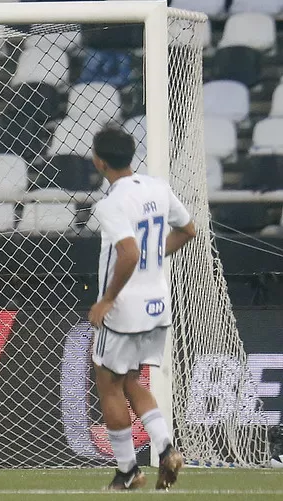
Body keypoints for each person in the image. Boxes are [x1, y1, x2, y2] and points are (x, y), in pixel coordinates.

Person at [88, 127, 196, 490]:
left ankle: (128, 471)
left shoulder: (110, 204)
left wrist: (107, 299)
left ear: (99, 161)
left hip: (125, 309)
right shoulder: (157, 188)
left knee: (108, 382)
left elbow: (129, 252)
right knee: (132, 379)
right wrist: (154, 255)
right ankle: (166, 449)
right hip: (158, 303)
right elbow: (188, 229)